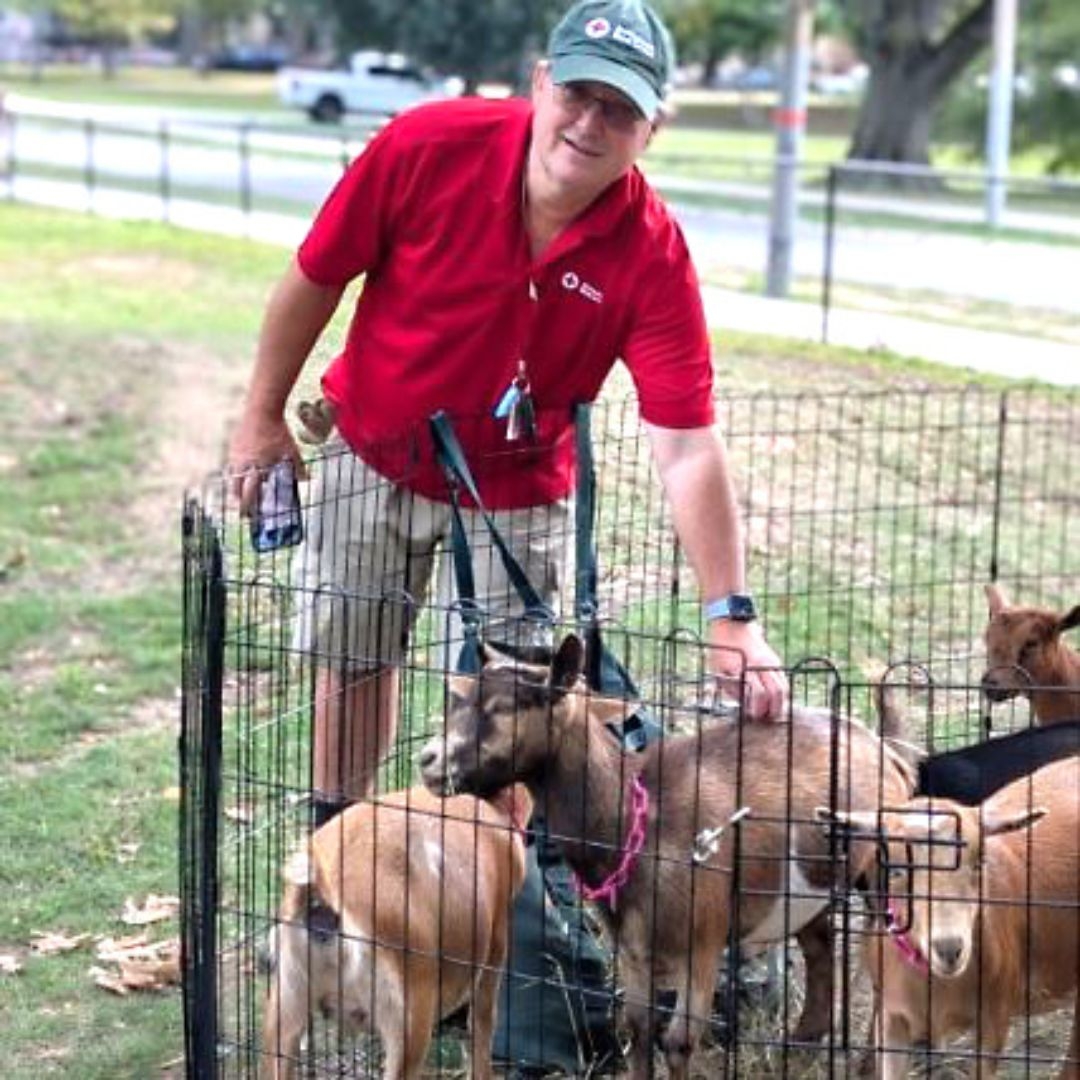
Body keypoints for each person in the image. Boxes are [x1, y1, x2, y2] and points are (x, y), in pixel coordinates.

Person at [230, 0, 789, 1070]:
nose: (590, 122)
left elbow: (687, 448)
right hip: (373, 447)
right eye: (578, 92)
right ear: (540, 82)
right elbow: (314, 273)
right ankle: (344, 889)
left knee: (520, 712)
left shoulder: (650, 250)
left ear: (650, 130)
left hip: (523, 484)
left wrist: (732, 617)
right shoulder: (429, 145)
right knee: (352, 666)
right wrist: (262, 415)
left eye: (619, 110)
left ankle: (508, 947)